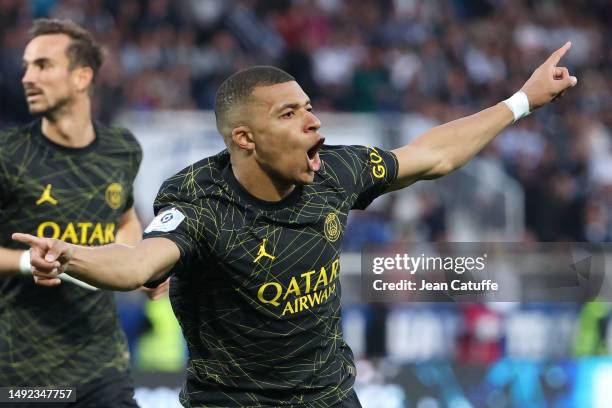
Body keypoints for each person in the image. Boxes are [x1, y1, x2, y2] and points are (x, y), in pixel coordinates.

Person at [14, 42, 578, 407]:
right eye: (290, 114)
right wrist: (70, 257)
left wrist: (521, 101)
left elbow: (432, 155)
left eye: (308, 107)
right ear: (245, 139)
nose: (313, 123)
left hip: (331, 398)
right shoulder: (199, 198)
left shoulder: (334, 172)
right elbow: (140, 261)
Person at [0, 18, 166, 406]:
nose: (28, 77)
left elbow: (125, 219)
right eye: (26, 66)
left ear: (81, 77)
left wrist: (136, 264)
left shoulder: (121, 148)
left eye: (43, 65)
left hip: (102, 367)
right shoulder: (9, 155)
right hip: (23, 369)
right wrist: (28, 261)